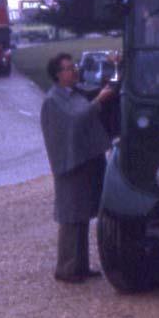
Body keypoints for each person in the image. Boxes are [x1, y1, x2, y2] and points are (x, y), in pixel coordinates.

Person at [40, 52, 115, 284]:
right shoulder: (53, 100)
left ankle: (80, 266)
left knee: (81, 214)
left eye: (74, 67)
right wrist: (98, 101)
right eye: (69, 68)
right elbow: (74, 121)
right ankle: (66, 268)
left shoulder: (73, 93)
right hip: (68, 163)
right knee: (70, 215)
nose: (74, 71)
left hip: (81, 160)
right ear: (58, 74)